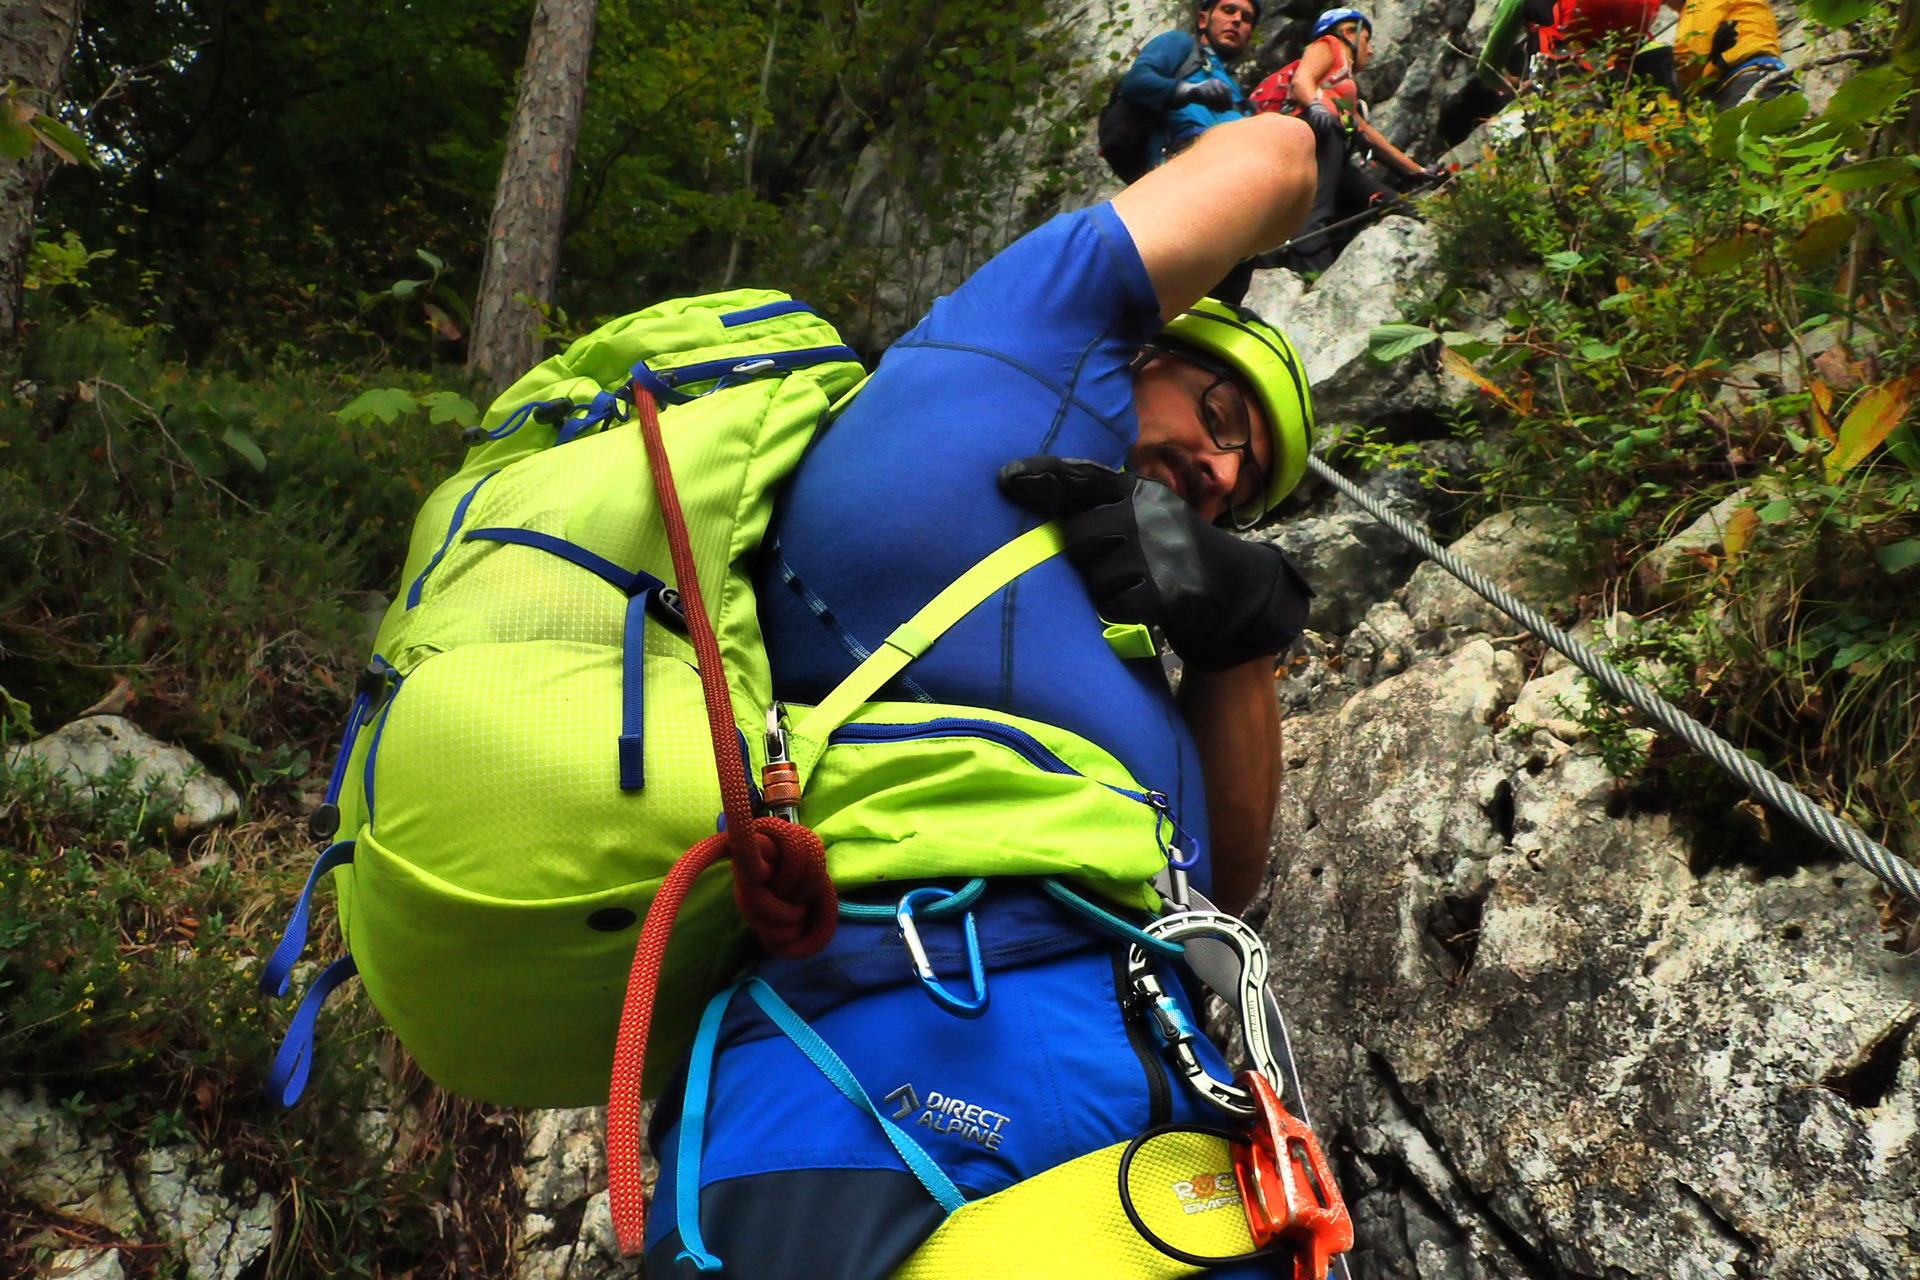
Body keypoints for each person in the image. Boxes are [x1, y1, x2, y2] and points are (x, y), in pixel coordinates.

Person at [641, 110, 1323, 1280]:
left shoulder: (1118, 664)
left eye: (1240, 485)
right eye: (1215, 415)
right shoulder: (1005, 349)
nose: (1217, 468)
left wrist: (1236, 629)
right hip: (866, 1043)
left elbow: (1230, 881)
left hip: (1140, 1078)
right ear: (1139, 347)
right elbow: (1283, 158)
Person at [1251, 8, 1440, 273]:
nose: (1371, 50)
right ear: (1349, 32)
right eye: (1367, 40)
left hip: (1334, 141)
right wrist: (1315, 106)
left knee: (1385, 200)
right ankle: (1309, 275)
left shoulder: (1341, 86)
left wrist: (1417, 171)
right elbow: (1302, 80)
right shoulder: (1328, 45)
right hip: (1319, 132)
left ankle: (1418, 216)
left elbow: (1368, 135)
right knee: (1317, 210)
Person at [1118, 0, 1261, 170]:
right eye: (1228, 10)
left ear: (1248, 36)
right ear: (1203, 20)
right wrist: (1189, 91)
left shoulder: (1237, 89)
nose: (1237, 19)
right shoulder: (1180, 44)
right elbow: (1135, 82)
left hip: (1233, 170)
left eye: (1246, 18)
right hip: (1182, 161)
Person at [1666, 0, 1794, 108]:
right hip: (1772, 73)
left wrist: (1675, 88)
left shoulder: (1701, 4)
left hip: (1741, 83)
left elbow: (1691, 52)